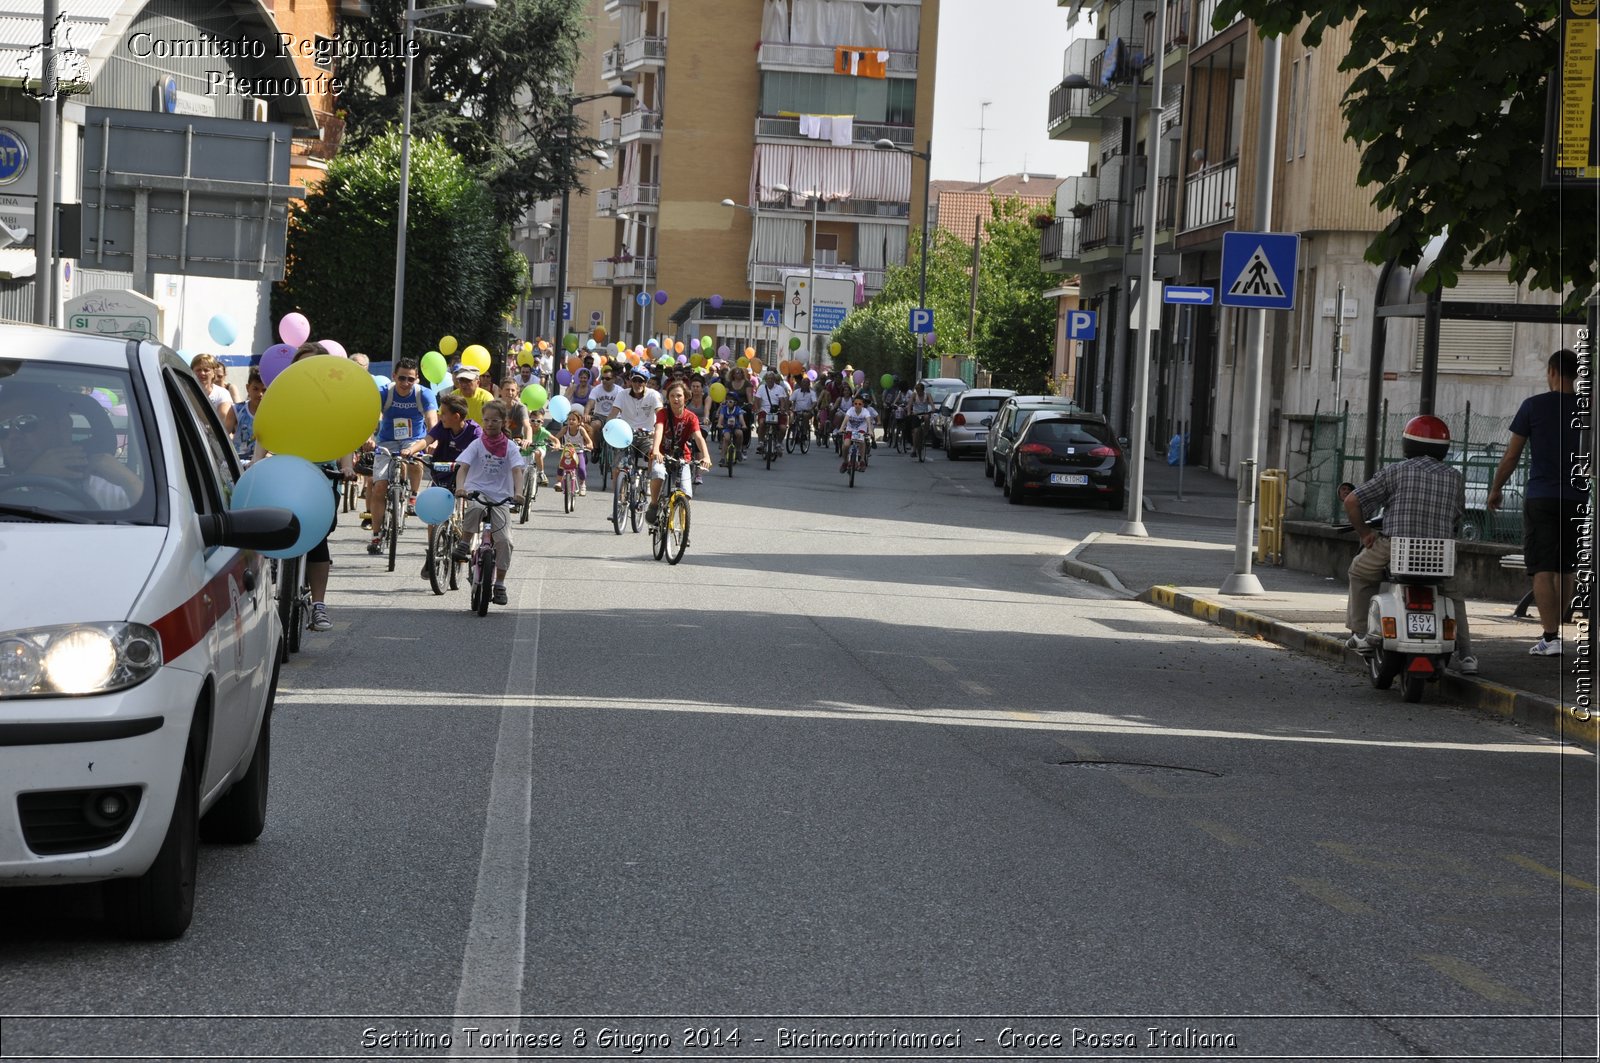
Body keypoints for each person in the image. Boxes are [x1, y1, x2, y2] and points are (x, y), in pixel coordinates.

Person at [1343, 414, 1475, 674]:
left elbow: (1352, 501)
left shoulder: (1395, 471)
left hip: (1395, 547)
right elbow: (1458, 514)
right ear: (1444, 448)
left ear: (1407, 444)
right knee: (1453, 596)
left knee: (1359, 572)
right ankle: (1468, 656)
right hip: (1440, 554)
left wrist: (1365, 532)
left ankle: (1360, 633)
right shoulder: (1455, 477)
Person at [1487, 348, 1590, 657]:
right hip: (1576, 497)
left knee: (1542, 568)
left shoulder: (1533, 406)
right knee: (1566, 568)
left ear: (1553, 372)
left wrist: (1496, 489)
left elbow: (1511, 456)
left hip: (1542, 496)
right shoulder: (1589, 409)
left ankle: (1550, 636)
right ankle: (1557, 628)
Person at [0, 385, 137, 508]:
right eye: (3, 427)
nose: (13, 435)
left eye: (25, 422)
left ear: (63, 427)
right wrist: (31, 478)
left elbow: (150, 522)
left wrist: (128, 480)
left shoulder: (98, 486)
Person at [452, 399, 525, 606]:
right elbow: (463, 468)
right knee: (475, 508)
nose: (490, 424)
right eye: (486, 420)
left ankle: (500, 584)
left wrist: (518, 493)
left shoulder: (510, 447)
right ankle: (465, 542)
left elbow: (517, 471)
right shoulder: (477, 444)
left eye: (495, 420)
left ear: (503, 422)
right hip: (477, 491)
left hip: (501, 496)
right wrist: (461, 488)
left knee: (505, 541)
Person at [364, 357, 439, 555]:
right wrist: (369, 438)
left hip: (413, 439)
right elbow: (370, 417)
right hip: (386, 441)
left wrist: (434, 441)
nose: (406, 383)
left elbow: (432, 419)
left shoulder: (424, 394)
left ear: (417, 380)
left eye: (411, 379)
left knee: (415, 461)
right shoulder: (383, 393)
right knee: (379, 486)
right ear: (394, 376)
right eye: (402, 378)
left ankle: (413, 496)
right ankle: (376, 535)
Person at [402, 393, 479, 578]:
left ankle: (467, 543)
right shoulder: (443, 427)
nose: (440, 416)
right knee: (434, 514)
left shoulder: (474, 431)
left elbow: (481, 450)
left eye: (443, 413)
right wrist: (410, 450)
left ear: (457, 416)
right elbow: (426, 440)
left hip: (465, 475)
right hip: (442, 473)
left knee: (468, 507)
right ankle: (433, 550)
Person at [646, 379, 712, 524]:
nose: (676, 399)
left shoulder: (691, 417)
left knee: (686, 492)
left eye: (679, 396)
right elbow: (659, 430)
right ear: (668, 398)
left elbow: (699, 437)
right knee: (658, 473)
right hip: (662, 454)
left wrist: (706, 456)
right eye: (672, 396)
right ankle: (654, 504)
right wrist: (656, 449)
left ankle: (682, 526)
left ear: (685, 397)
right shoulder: (663, 413)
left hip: (682, 456)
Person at [608, 364, 664, 488]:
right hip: (626, 436)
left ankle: (649, 479)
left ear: (646, 382)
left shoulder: (653, 395)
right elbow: (612, 414)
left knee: (652, 454)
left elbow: (660, 415)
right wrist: (607, 429)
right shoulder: (622, 394)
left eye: (641, 381)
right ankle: (619, 496)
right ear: (630, 381)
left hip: (647, 435)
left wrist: (657, 430)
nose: (637, 384)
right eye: (635, 380)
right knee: (617, 467)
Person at [190, 353, 236, 434]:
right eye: (198, 370)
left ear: (213, 372)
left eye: (206, 370)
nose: (202, 373)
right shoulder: (186, 391)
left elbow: (222, 421)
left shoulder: (222, 394)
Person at [754, 369, 791, 458]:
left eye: (772, 378)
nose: (770, 380)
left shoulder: (780, 388)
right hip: (764, 410)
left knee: (783, 428)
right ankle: (761, 442)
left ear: (774, 380)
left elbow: (782, 400)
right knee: (762, 423)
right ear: (765, 380)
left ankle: (778, 443)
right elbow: (757, 400)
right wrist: (758, 409)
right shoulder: (761, 388)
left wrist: (782, 408)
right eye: (768, 378)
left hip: (777, 411)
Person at [557, 409, 592, 495]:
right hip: (567, 452)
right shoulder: (565, 429)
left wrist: (589, 445)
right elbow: (556, 438)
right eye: (569, 419)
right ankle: (559, 482)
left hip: (579, 451)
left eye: (573, 419)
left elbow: (589, 441)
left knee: (581, 469)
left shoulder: (581, 430)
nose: (571, 421)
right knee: (561, 466)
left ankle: (582, 484)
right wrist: (556, 444)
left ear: (579, 421)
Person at [233, 368, 264, 464]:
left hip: (261, 462)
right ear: (247, 388)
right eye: (255, 389)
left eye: (264, 390)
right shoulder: (237, 409)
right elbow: (223, 435)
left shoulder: (272, 414)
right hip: (238, 461)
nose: (260, 394)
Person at [838, 393, 875, 473]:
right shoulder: (850, 410)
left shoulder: (865, 412)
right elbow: (845, 420)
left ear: (863, 405)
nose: (857, 405)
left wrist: (870, 430)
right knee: (846, 445)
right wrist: (841, 428)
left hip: (860, 431)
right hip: (850, 430)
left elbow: (868, 421)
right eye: (855, 404)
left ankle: (862, 461)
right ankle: (845, 462)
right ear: (853, 404)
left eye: (859, 404)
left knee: (861, 441)